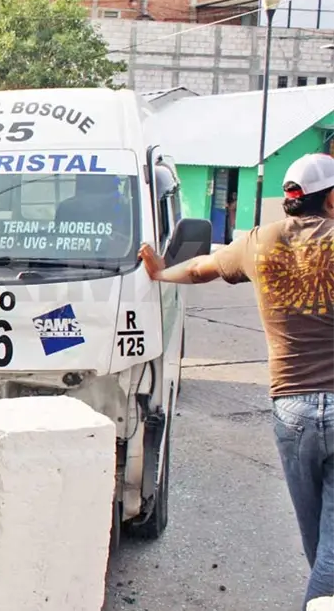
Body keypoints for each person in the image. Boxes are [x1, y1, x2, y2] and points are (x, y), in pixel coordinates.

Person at [138, 152, 334, 608]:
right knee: (330, 554)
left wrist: (159, 272)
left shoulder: (259, 242)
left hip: (292, 410)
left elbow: (202, 267)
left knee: (319, 544)